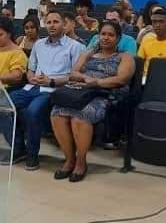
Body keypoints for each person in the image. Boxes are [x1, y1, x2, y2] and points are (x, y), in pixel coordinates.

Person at [0, 11, 84, 170]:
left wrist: (52, 81)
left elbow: (76, 76)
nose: (52, 25)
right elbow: (31, 69)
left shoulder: (75, 47)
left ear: (64, 24)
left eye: (56, 22)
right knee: (0, 105)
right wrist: (30, 77)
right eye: (49, 22)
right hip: (32, 86)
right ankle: (18, 149)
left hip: (54, 89)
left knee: (33, 111)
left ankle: (32, 153)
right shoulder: (39, 44)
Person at [51, 21, 134, 182]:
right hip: (82, 92)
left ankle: (81, 162)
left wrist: (95, 82)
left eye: (111, 35)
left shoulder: (124, 57)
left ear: (118, 38)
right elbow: (73, 73)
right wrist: (87, 79)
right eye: (103, 34)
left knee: (79, 118)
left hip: (104, 95)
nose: (106, 38)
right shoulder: (88, 54)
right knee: (57, 113)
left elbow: (120, 80)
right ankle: (69, 160)